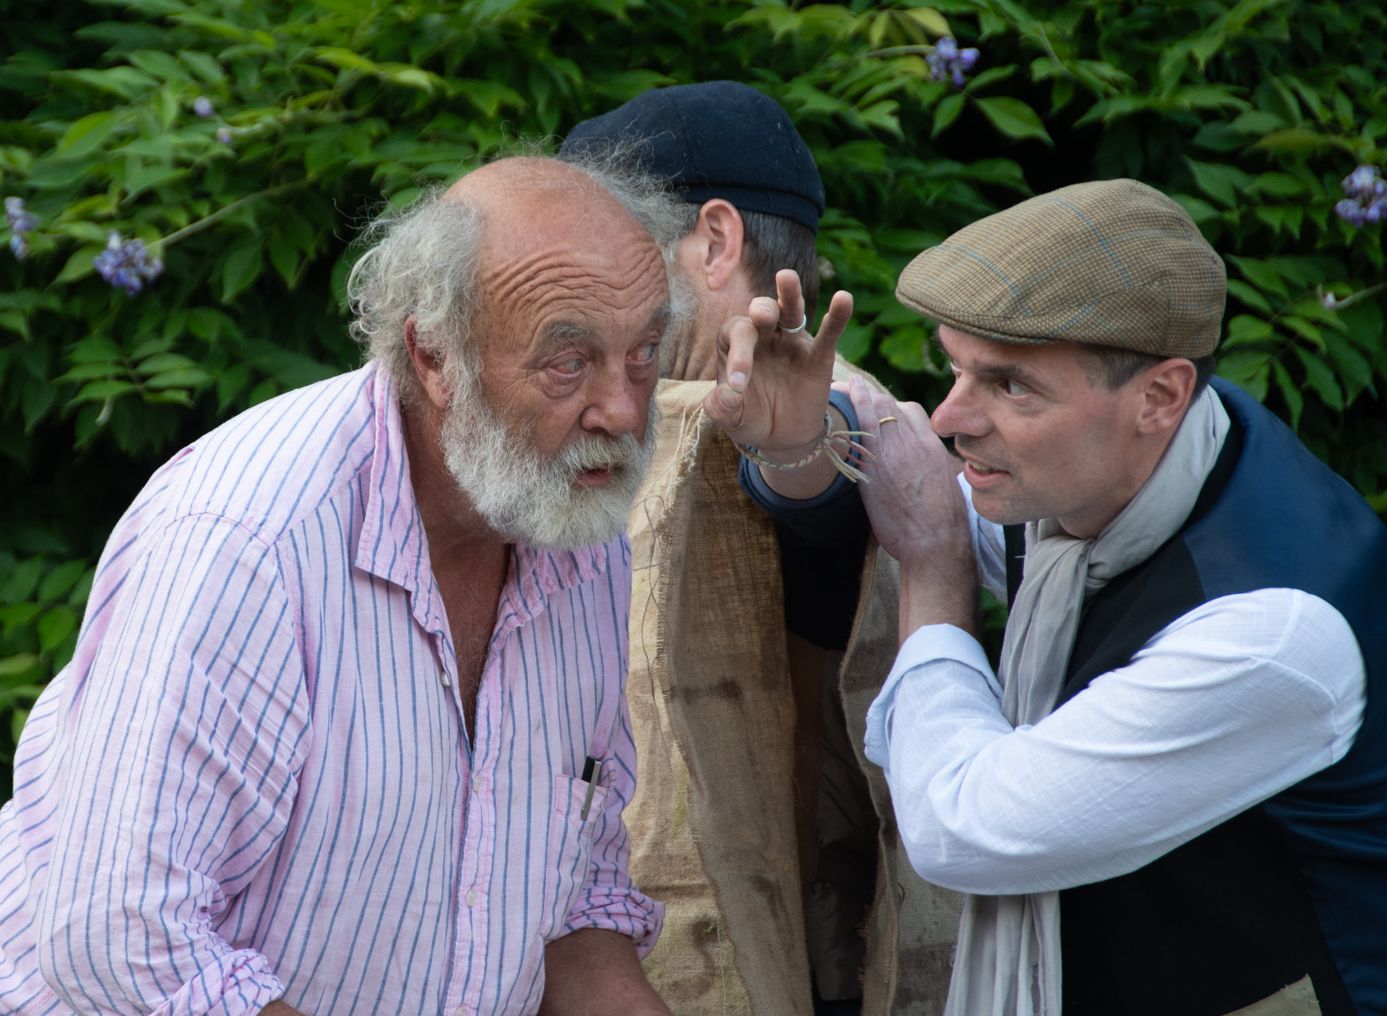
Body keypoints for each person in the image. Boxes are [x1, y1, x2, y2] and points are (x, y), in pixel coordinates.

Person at [0, 156, 683, 1015]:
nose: (623, 410)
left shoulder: (576, 529)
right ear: (433, 357)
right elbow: (121, 936)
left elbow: (572, 913)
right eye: (567, 362)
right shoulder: (247, 544)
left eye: (644, 353)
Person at [743, 178, 1387, 1015]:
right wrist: (796, 443)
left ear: (1159, 396)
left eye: (1010, 386)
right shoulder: (1121, 458)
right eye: (954, 369)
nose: (947, 419)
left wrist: (934, 571)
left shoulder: (1272, 637)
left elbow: (959, 827)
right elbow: (886, 504)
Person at [561, 81, 959, 1016]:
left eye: (600, 251)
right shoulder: (634, 415)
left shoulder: (835, 412)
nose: (571, 291)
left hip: (784, 971)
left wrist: (793, 450)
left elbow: (817, 484)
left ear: (714, 242)